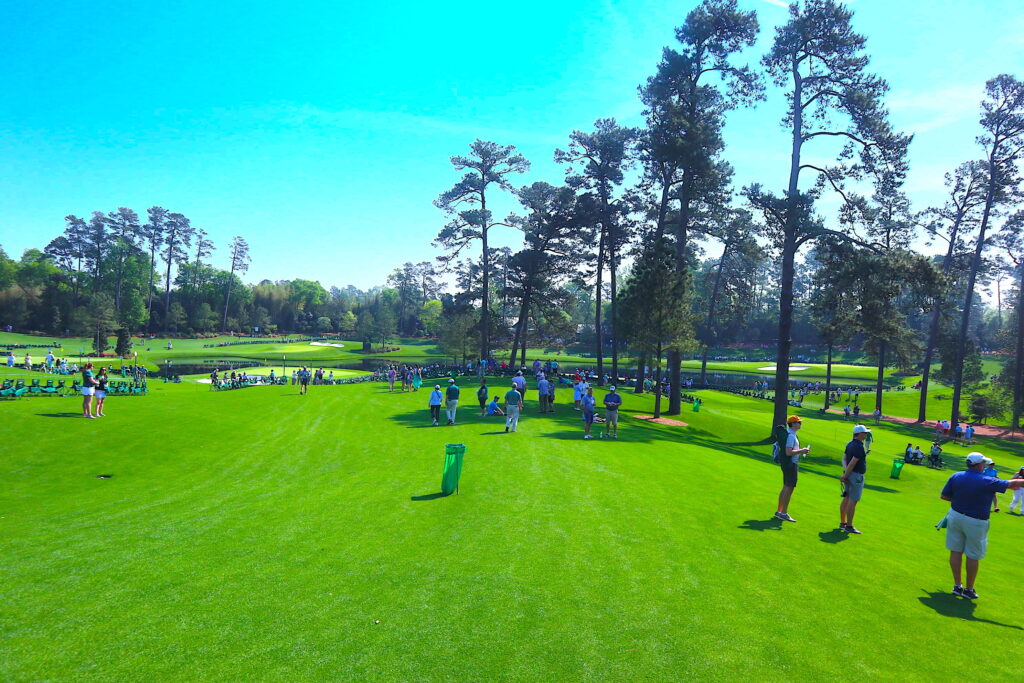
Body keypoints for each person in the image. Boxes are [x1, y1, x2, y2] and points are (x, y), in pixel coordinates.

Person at [940, 453, 1024, 599]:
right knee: (973, 555)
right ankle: (968, 589)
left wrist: (963, 500)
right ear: (979, 464)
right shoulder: (987, 480)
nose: (985, 465)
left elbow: (945, 496)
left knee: (955, 551)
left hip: (955, 515)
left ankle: (957, 586)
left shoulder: (956, 476)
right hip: (976, 521)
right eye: (984, 463)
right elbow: (1013, 484)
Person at [775, 416, 810, 523]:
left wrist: (800, 451)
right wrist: (802, 451)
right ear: (793, 424)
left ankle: (779, 511)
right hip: (791, 464)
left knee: (786, 486)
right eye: (799, 422)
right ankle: (784, 513)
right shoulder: (790, 436)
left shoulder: (791, 434)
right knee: (789, 488)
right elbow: (788, 452)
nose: (800, 424)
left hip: (788, 464)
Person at [839, 425, 871, 534]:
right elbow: (853, 462)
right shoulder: (859, 446)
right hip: (856, 476)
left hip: (849, 474)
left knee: (846, 498)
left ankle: (842, 523)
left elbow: (844, 459)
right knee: (853, 501)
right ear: (859, 434)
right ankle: (849, 526)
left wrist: (845, 472)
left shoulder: (850, 444)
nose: (866, 435)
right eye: (864, 433)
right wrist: (846, 475)